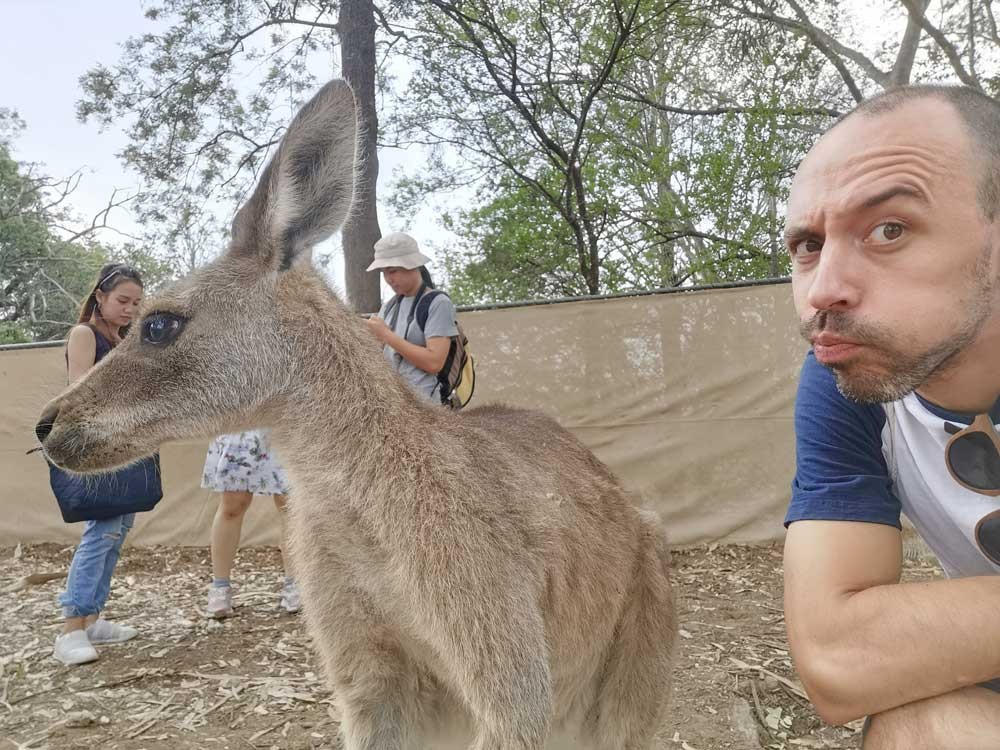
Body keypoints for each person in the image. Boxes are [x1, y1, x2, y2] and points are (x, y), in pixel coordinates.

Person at [783, 84, 1000, 747]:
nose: (824, 290)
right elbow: (838, 659)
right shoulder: (846, 378)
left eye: (889, 229)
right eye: (808, 245)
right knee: (916, 726)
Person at [53, 262, 145, 666]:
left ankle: (92, 619)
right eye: (123, 300)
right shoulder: (84, 334)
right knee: (102, 530)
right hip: (96, 447)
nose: (129, 309)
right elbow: (80, 392)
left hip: (121, 444)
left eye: (137, 303)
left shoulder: (123, 339)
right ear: (100, 297)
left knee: (118, 529)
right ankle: (71, 628)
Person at [200, 429, 301, 617]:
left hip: (280, 425)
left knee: (290, 506)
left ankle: (294, 585)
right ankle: (220, 588)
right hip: (240, 424)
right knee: (232, 505)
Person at [365, 232, 459, 403]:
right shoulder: (389, 307)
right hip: (391, 403)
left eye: (392, 271)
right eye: (384, 272)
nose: (388, 279)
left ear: (412, 265)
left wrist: (386, 335)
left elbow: (434, 363)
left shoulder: (438, 303)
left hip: (425, 409)